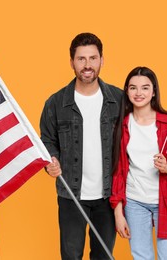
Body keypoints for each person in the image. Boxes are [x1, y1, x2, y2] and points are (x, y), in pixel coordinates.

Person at [40, 32, 123, 260]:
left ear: (102, 60)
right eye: (81, 59)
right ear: (72, 63)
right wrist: (51, 161)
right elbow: (47, 141)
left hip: (108, 196)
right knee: (70, 256)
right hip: (71, 196)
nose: (87, 65)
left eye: (93, 58)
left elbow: (132, 138)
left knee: (103, 256)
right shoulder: (56, 103)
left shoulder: (119, 99)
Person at [110, 66, 167, 259]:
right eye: (133, 88)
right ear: (127, 90)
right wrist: (118, 212)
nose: (139, 93)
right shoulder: (122, 125)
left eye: (145, 87)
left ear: (154, 91)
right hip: (134, 203)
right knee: (141, 257)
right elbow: (118, 171)